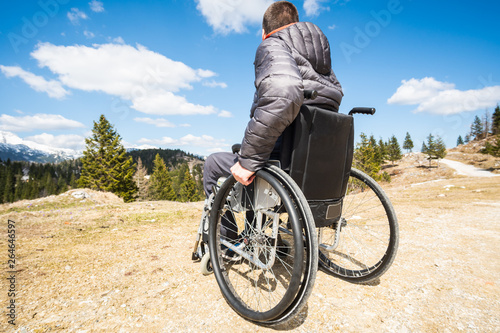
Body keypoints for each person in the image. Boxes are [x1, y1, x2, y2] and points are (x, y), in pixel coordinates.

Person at [203, 1, 343, 197]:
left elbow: (284, 92)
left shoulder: (272, 45)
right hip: (312, 161)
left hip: (283, 161)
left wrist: (248, 160)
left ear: (263, 32)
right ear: (296, 24)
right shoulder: (321, 62)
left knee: (212, 162)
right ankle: (251, 227)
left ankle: (224, 229)